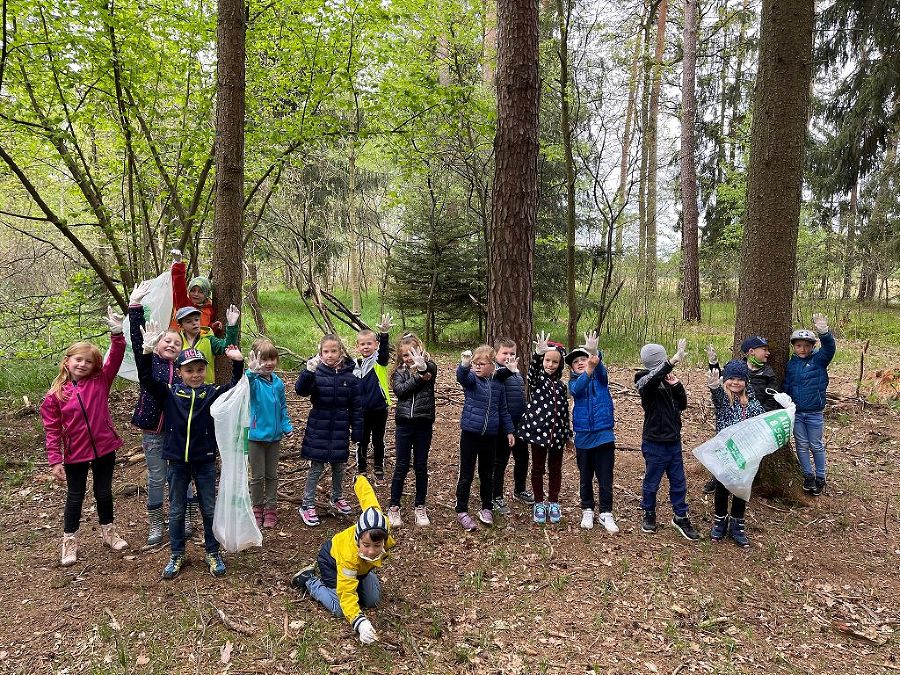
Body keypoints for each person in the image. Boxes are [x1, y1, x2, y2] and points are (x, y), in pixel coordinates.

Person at [135, 321, 244, 579]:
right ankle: (177, 553)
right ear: (180, 372)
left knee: (208, 507)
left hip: (205, 461)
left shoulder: (212, 393)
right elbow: (146, 379)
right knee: (176, 510)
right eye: (189, 370)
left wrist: (238, 363)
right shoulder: (169, 393)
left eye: (199, 369)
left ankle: (212, 551)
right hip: (177, 462)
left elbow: (235, 386)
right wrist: (147, 352)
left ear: (205, 370)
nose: (195, 374)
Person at [41, 308, 130, 567]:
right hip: (75, 453)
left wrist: (117, 333)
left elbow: (115, 357)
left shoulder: (100, 381)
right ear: (67, 361)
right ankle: (70, 542)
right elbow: (52, 431)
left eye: (88, 361)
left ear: (94, 366)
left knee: (103, 492)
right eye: (78, 359)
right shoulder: (55, 395)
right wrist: (55, 460)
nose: (82, 364)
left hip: (104, 447)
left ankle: (109, 533)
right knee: (75, 496)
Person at [290, 476, 395, 645]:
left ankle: (360, 580)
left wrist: (359, 479)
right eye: (366, 545)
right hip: (331, 561)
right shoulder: (349, 557)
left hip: (360, 568)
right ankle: (309, 580)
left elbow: (368, 498)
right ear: (358, 539)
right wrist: (359, 622)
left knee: (372, 600)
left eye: (377, 545)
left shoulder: (381, 524)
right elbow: (346, 594)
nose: (371, 551)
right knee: (339, 608)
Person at [128, 280, 185, 546]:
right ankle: (155, 522)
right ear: (158, 343)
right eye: (167, 340)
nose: (172, 344)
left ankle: (181, 517)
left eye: (177, 342)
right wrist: (135, 307)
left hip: (177, 432)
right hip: (153, 430)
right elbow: (139, 339)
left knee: (179, 475)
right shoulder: (149, 363)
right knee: (156, 476)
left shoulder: (185, 368)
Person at [635, 339, 700, 541]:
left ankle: (680, 516)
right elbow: (649, 382)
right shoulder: (644, 379)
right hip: (654, 441)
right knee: (652, 481)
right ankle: (649, 513)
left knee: (679, 482)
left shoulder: (667, 378)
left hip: (673, 441)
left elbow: (682, 404)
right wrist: (670, 363)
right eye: (662, 359)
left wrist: (677, 385)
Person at [296, 334, 364, 526]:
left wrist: (357, 430)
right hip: (319, 425)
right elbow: (301, 390)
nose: (330, 355)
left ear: (340, 352)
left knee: (339, 466)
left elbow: (356, 406)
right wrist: (308, 372)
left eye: (334, 351)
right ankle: (307, 504)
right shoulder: (316, 372)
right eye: (326, 351)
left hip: (340, 426)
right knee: (316, 467)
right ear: (320, 353)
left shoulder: (350, 376)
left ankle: (337, 496)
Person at [703, 336, 781, 494]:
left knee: (746, 454)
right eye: (764, 349)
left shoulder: (768, 372)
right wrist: (713, 363)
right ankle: (718, 481)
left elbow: (771, 397)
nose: (768, 353)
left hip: (753, 420)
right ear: (751, 351)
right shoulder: (736, 367)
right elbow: (717, 382)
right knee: (725, 452)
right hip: (729, 420)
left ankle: (742, 484)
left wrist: (761, 418)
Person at [706, 360, 765, 547]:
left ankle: (737, 524)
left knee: (741, 489)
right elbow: (717, 397)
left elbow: (761, 422)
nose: (735, 382)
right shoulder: (724, 400)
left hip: (745, 454)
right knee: (722, 489)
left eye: (740, 379)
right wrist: (714, 387)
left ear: (746, 381)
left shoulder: (754, 403)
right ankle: (720, 521)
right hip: (725, 453)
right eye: (731, 378)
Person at [455, 345, 515, 531]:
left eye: (481, 364)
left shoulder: (497, 383)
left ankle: (486, 507)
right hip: (470, 434)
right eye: (475, 363)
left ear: (491, 365)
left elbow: (503, 409)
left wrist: (509, 431)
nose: (477, 367)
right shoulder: (472, 380)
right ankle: (462, 509)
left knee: (487, 474)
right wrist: (464, 366)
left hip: (490, 436)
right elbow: (462, 377)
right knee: (466, 473)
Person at [516, 332, 571, 526]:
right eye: (548, 361)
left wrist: (568, 436)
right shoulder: (538, 381)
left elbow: (564, 413)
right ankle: (539, 503)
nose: (550, 365)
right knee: (538, 468)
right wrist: (538, 355)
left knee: (555, 468)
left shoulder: (562, 386)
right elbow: (531, 374)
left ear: (560, 364)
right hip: (538, 434)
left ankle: (553, 502)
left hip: (557, 436)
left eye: (554, 362)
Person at [566, 331, 618, 533]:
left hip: (604, 435)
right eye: (576, 361)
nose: (580, 363)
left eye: (583, 359)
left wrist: (595, 353)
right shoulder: (573, 382)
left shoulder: (601, 379)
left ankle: (606, 512)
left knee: (605, 477)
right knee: (585, 476)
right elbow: (577, 390)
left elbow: (601, 373)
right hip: (583, 437)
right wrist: (588, 368)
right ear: (571, 367)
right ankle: (587, 508)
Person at [386, 333, 437, 528]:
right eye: (405, 355)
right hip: (404, 424)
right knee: (401, 464)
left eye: (413, 353)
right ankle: (394, 506)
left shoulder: (430, 366)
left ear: (421, 350)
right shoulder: (399, 372)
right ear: (401, 356)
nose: (409, 358)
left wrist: (423, 368)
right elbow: (401, 391)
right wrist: (419, 377)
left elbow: (430, 371)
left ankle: (420, 506)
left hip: (423, 423)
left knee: (421, 465)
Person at [784, 312, 835, 496]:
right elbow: (787, 385)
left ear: (813, 346)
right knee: (801, 444)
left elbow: (829, 349)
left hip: (814, 413)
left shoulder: (818, 360)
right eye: (798, 346)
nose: (803, 349)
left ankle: (821, 476)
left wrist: (824, 333)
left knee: (816, 444)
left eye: (806, 346)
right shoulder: (791, 364)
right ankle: (808, 475)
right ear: (794, 347)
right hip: (797, 412)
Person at [246, 338, 293, 529]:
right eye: (264, 359)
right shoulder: (254, 381)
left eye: (272, 359)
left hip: (274, 438)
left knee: (272, 475)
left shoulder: (278, 383)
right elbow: (245, 386)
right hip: (255, 437)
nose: (269, 363)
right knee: (257, 476)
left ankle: (271, 507)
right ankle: (257, 508)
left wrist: (286, 426)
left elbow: (282, 407)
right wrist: (251, 372)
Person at [492, 337, 531, 514]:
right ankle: (496, 496)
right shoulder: (496, 373)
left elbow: (522, 399)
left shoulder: (516, 372)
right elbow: (500, 401)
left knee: (522, 458)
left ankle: (520, 489)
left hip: (520, 424)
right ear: (496, 355)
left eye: (512, 353)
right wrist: (508, 428)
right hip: (502, 427)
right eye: (504, 353)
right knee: (500, 461)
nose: (508, 356)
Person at [354, 316, 392, 481]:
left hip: (379, 408)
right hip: (361, 410)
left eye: (369, 343)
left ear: (375, 345)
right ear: (358, 346)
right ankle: (361, 468)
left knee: (378, 439)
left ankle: (378, 466)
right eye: (362, 344)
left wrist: (384, 335)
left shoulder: (379, 362)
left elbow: (384, 354)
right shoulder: (355, 364)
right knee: (362, 440)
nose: (366, 346)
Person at [173, 302, 240, 384]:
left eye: (196, 319)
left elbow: (228, 346)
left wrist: (231, 326)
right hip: (181, 390)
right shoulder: (176, 341)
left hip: (207, 391)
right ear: (181, 325)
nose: (194, 323)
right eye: (189, 321)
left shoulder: (209, 339)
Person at [168, 249, 221, 336]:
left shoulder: (209, 308)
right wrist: (178, 264)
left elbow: (205, 326)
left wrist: (213, 327)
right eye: (193, 290)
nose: (196, 294)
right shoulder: (184, 304)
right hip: (179, 342)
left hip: (197, 345)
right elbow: (179, 288)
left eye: (200, 292)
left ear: (207, 294)